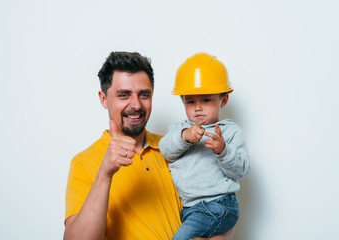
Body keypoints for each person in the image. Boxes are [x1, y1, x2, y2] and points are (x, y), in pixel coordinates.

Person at [64, 51, 237, 240]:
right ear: (103, 99)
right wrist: (105, 174)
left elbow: (220, 204)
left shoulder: (177, 146)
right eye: (124, 95)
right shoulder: (84, 162)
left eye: (144, 95)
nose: (136, 105)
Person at [159, 53, 250, 240]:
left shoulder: (229, 131)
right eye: (190, 101)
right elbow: (165, 150)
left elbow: (242, 170)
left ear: (223, 100)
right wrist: (185, 136)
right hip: (190, 210)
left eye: (206, 100)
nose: (197, 108)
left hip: (218, 205)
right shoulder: (179, 129)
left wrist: (223, 151)